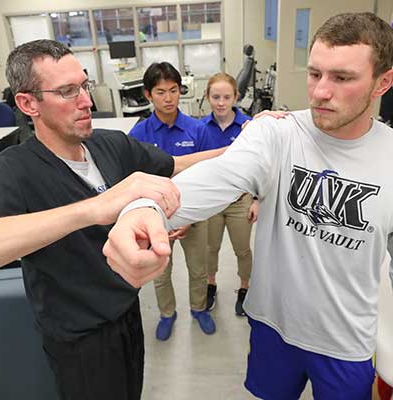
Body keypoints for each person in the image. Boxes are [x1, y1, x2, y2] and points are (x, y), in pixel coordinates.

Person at [104, 12, 393, 400]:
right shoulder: (277, 132)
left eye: (342, 78)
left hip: (346, 339)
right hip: (274, 324)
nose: (321, 91)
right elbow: (220, 174)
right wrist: (147, 209)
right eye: (314, 74)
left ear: (383, 82)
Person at [0, 39, 224, 400]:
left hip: (128, 313)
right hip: (79, 337)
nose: (87, 101)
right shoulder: (13, 168)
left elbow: (174, 165)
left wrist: (243, 148)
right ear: (28, 104)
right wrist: (95, 207)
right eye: (68, 92)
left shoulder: (110, 144)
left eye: (83, 86)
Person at [129, 61, 218, 340]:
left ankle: (199, 308)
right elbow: (135, 181)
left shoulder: (197, 130)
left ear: (181, 91)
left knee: (198, 268)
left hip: (193, 213)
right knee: (159, 272)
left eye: (173, 90)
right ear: (147, 95)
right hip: (156, 217)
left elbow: (208, 176)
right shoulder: (139, 135)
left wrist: (190, 219)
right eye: (160, 92)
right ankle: (167, 313)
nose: (168, 98)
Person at [201, 72, 287, 315]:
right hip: (212, 202)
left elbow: (265, 165)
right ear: (207, 97)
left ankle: (245, 287)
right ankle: (210, 283)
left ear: (236, 97)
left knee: (242, 250)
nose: (221, 102)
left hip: (240, 202)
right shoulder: (200, 129)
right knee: (211, 248)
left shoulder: (251, 126)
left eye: (226, 97)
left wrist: (258, 199)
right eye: (215, 97)